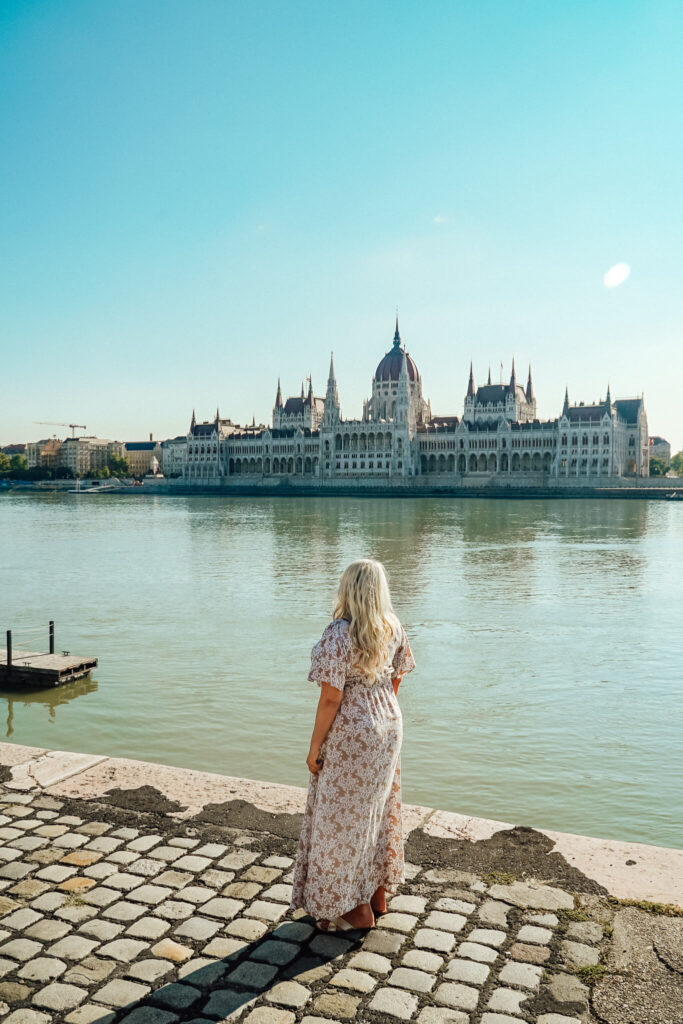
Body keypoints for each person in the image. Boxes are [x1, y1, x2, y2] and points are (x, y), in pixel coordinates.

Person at [290, 558, 416, 932]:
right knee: (378, 811)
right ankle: (378, 895)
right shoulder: (393, 627)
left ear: (347, 589)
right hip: (389, 724)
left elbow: (331, 698)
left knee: (339, 823)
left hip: (351, 732)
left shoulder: (339, 633)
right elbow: (396, 681)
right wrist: (381, 717)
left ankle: (354, 910)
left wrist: (314, 747)